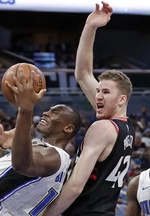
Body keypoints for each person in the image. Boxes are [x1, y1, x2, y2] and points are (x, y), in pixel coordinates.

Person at [44, 2, 135, 216]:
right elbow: (83, 73)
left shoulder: (103, 128)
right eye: (99, 91)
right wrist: (90, 27)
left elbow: (76, 186)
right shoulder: (124, 126)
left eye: (105, 92)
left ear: (121, 99)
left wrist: (47, 214)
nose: (98, 96)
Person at [0, 69, 82, 215]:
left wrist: (25, 110)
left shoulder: (55, 155)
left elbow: (22, 164)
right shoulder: (46, 153)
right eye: (48, 110)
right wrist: (0, 147)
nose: (45, 113)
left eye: (55, 112)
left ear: (68, 128)